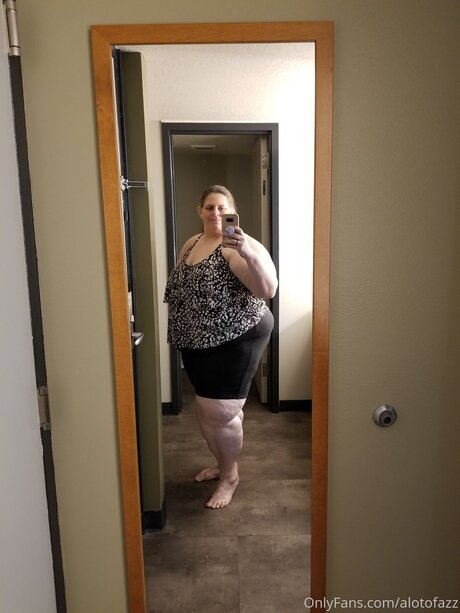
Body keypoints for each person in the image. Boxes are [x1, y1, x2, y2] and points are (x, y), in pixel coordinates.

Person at [164, 185, 278, 509]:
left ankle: (229, 476)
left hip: (238, 335)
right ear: (200, 211)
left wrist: (247, 252)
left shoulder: (238, 247)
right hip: (199, 338)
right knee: (206, 409)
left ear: (232, 212)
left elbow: (267, 289)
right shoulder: (191, 243)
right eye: (210, 207)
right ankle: (223, 463)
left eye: (222, 208)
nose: (215, 213)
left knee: (222, 412)